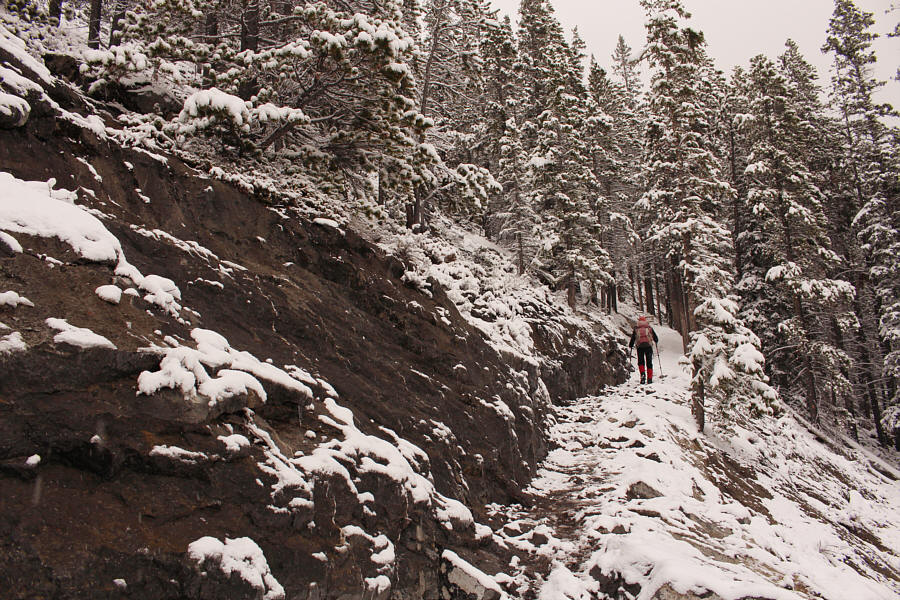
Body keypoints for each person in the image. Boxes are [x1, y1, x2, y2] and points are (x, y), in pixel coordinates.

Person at [629, 316, 658, 384]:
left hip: (640, 347)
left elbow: (633, 338)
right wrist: (655, 341)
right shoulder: (649, 328)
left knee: (641, 362)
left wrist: (631, 345)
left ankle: (642, 376)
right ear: (645, 321)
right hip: (648, 346)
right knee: (649, 362)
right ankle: (649, 378)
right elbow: (656, 338)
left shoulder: (636, 329)